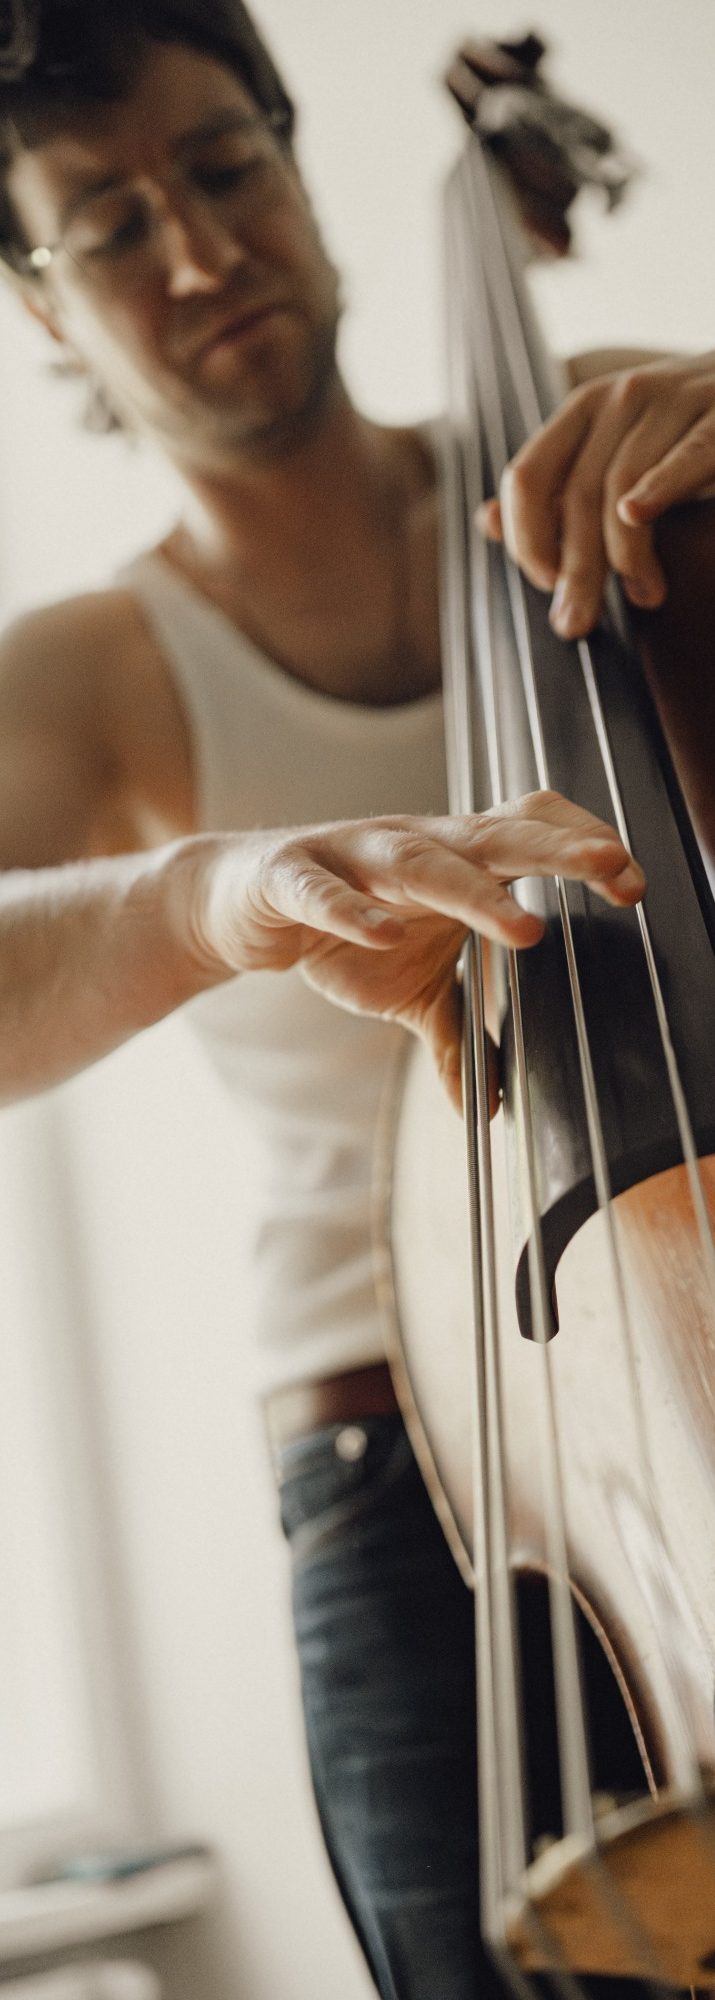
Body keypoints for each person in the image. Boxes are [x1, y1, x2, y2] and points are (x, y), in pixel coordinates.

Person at [0, 7, 712, 1996]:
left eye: (224, 168)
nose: (198, 253)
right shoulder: (91, 673)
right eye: (108, 227)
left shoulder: (613, 443)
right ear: (42, 306)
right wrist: (209, 895)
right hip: (400, 1454)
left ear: (299, 164)